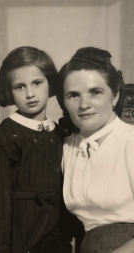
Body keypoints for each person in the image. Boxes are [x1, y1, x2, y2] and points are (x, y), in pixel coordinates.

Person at [0, 46, 84, 253]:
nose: (30, 94)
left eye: (37, 83)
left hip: (57, 241)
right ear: (8, 90)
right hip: (20, 239)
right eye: (19, 87)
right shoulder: (5, 138)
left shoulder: (61, 135)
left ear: (50, 82)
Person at [56, 46, 134, 253]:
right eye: (73, 95)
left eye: (95, 92)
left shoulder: (130, 141)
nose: (84, 104)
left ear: (115, 96)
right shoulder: (67, 147)